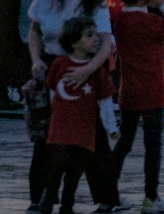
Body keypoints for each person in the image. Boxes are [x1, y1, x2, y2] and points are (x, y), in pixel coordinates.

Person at [26, 0, 118, 214]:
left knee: (93, 134)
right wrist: (35, 59)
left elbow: (104, 42)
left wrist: (89, 70)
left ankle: (107, 198)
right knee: (48, 132)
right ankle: (41, 196)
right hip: (53, 64)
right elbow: (34, 30)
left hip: (85, 66)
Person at [110, 0, 164, 214]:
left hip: (129, 90)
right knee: (153, 146)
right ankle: (150, 198)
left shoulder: (120, 20)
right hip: (153, 90)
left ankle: (108, 193)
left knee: (124, 143)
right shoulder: (151, 22)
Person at [38, 17, 117, 214]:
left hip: (84, 132)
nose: (96, 39)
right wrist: (53, 117)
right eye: (89, 35)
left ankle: (67, 205)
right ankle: (48, 199)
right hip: (61, 130)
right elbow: (52, 93)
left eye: (95, 34)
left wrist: (112, 127)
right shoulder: (59, 65)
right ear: (74, 42)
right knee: (56, 168)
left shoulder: (96, 69)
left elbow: (105, 100)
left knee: (75, 172)